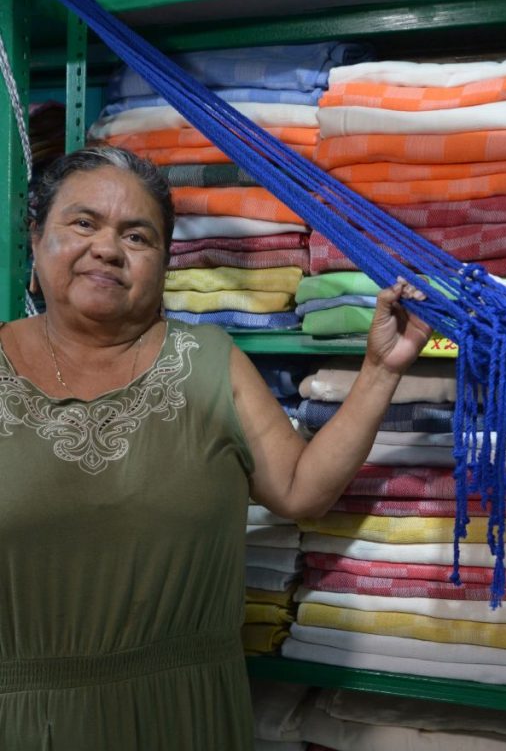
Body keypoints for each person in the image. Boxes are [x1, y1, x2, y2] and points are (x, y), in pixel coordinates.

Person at [0, 146, 432, 749]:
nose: (107, 248)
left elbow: (300, 488)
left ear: (164, 262)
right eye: (83, 222)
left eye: (138, 236)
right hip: (27, 725)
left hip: (189, 714)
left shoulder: (209, 360)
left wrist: (381, 370)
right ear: (36, 236)